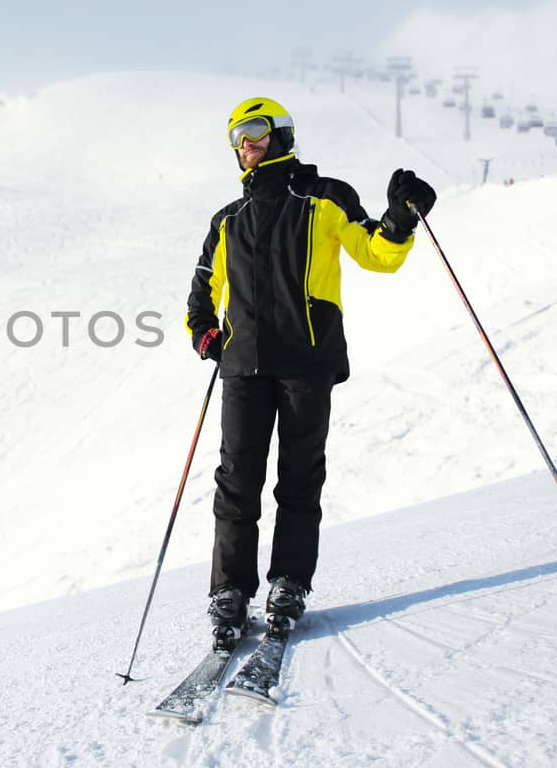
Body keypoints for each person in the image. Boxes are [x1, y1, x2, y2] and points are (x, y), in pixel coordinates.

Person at [185, 97, 436, 650]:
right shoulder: (228, 218)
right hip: (243, 367)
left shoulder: (324, 198)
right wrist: (204, 332)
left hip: (307, 361)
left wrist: (400, 218)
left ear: (279, 133)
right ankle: (230, 590)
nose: (244, 145)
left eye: (252, 132)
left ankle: (289, 583)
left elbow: (376, 254)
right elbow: (203, 286)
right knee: (236, 483)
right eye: (235, 138)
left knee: (299, 479)